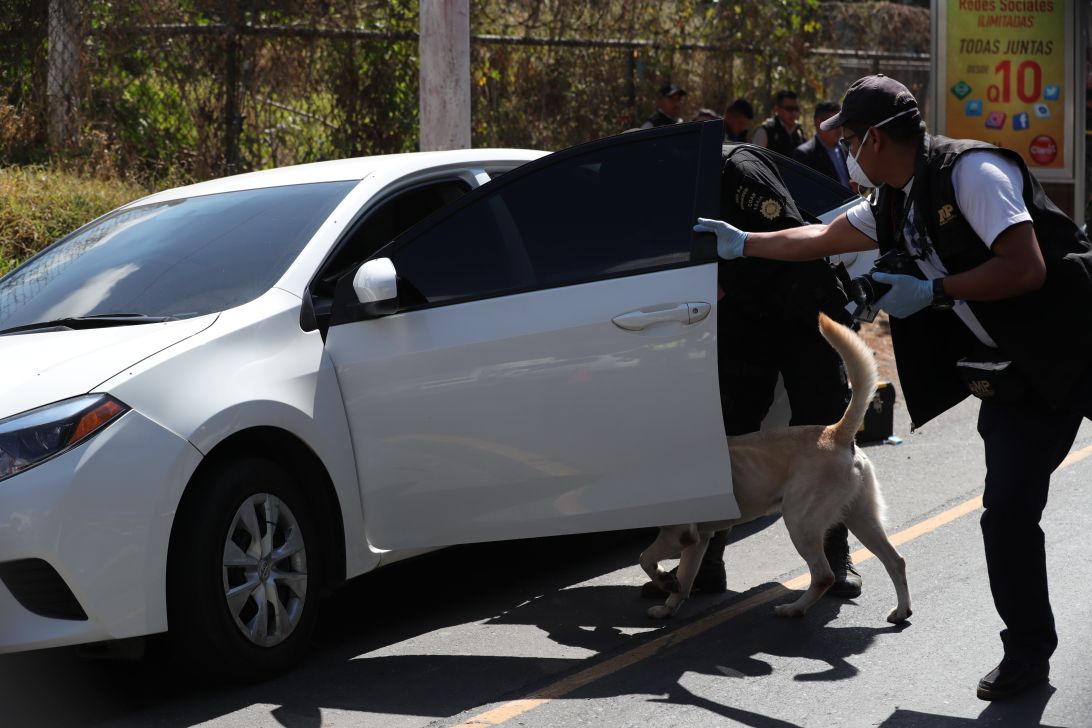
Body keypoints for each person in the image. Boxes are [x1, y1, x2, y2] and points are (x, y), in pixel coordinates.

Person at [694, 74, 1092, 702]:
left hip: (1080, 342)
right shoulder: (893, 199)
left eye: (849, 140)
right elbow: (822, 237)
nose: (846, 153)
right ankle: (1027, 654)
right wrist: (745, 243)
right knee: (1008, 515)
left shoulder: (973, 174)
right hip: (1019, 372)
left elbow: (1026, 267)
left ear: (875, 139)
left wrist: (935, 290)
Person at [642, 140, 862, 602]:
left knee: (823, 435)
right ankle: (705, 564)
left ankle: (834, 557)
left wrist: (726, 282)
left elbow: (788, 235)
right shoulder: (679, 194)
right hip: (747, 322)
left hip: (804, 315)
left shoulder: (737, 170)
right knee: (729, 436)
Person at [793, 100, 853, 189]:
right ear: (819, 123)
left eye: (840, 122)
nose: (839, 128)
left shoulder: (846, 148)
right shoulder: (804, 155)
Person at [751, 90, 806, 156]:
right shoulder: (766, 131)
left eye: (796, 109)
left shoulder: (799, 131)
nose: (794, 113)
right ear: (777, 109)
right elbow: (754, 158)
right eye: (789, 108)